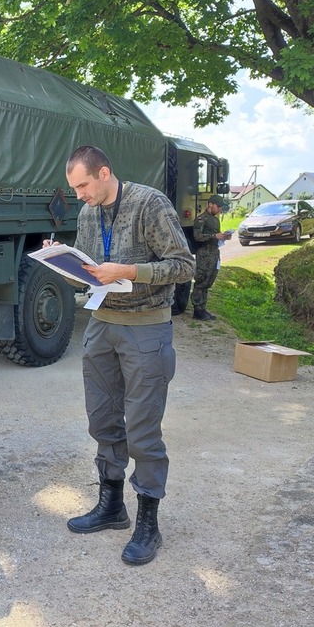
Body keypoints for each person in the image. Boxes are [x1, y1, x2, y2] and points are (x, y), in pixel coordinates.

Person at [55, 145, 194, 566]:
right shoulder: (86, 213)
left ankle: (148, 523)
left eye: (82, 185)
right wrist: (67, 264)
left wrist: (131, 271)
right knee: (102, 419)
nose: (79, 194)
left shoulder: (150, 203)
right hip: (102, 324)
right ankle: (111, 506)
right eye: (74, 188)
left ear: (103, 173)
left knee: (143, 431)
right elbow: (88, 269)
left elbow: (184, 265)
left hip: (146, 328)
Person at [191, 194, 230, 321]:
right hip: (204, 254)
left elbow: (215, 235)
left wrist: (224, 236)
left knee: (208, 282)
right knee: (201, 281)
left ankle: (203, 307)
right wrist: (214, 237)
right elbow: (197, 236)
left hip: (214, 253)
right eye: (218, 206)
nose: (219, 210)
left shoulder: (215, 219)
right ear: (210, 204)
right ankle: (197, 309)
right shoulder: (201, 219)